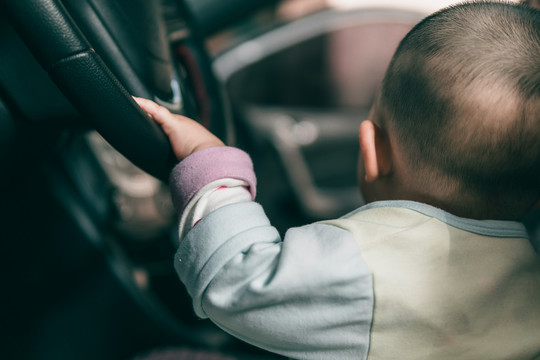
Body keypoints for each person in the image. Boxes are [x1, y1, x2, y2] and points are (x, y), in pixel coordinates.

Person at [135, 1, 540, 359]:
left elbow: (234, 277)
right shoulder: (529, 284)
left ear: (372, 150)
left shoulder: (365, 264)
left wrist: (207, 159)